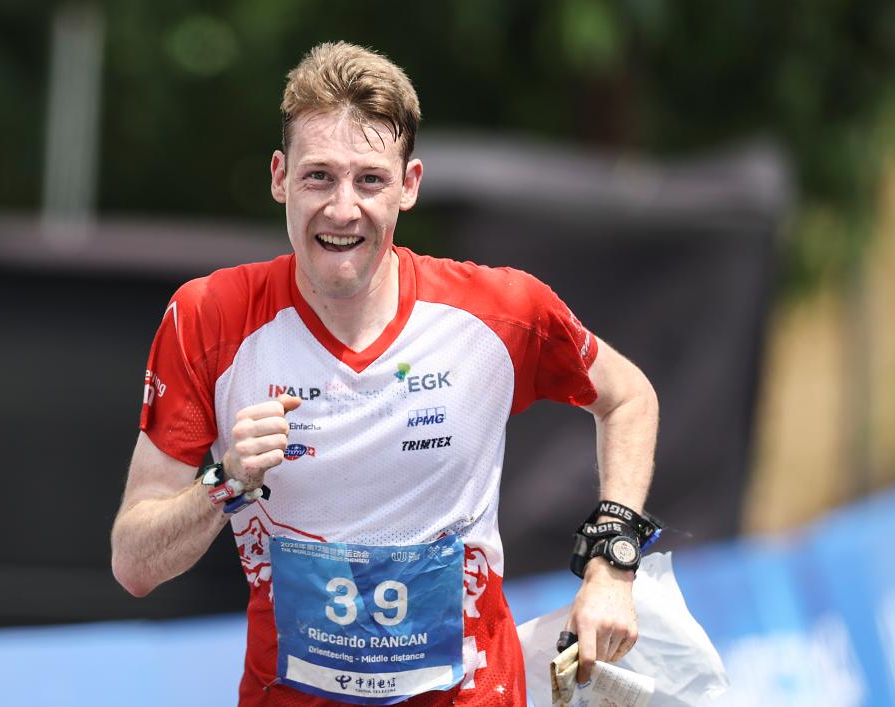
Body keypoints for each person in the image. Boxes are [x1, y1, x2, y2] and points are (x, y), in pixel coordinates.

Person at [111, 41, 658, 706]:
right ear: (279, 177)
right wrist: (223, 483)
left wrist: (612, 564)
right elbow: (134, 563)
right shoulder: (209, 320)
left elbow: (628, 397)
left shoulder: (498, 312)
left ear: (409, 184)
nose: (343, 209)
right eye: (319, 176)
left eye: (370, 180)